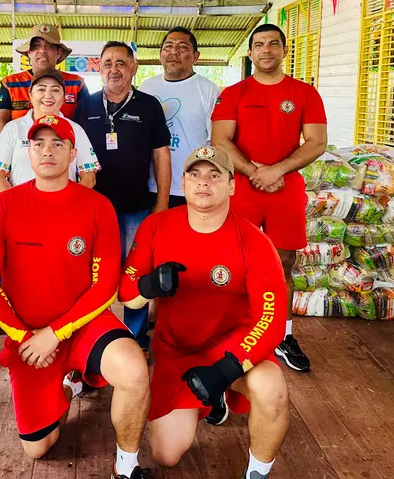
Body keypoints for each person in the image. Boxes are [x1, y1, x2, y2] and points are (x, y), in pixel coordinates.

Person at [0, 115, 153, 479]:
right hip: (26, 335)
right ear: (28, 151)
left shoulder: (96, 205)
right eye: (39, 143)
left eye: (58, 144)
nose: (48, 151)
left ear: (73, 153)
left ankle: (127, 466)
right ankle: (67, 385)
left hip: (84, 323)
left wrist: (54, 333)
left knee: (135, 369)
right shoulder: (2, 205)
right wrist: (27, 338)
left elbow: (105, 285)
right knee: (38, 449)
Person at [119, 146, 289, 479]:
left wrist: (228, 368)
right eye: (195, 174)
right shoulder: (156, 227)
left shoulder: (254, 241)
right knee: (166, 454)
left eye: (214, 175)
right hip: (177, 349)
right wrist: (149, 286)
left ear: (231, 185)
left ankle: (258, 473)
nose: (203, 183)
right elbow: (126, 294)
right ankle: (213, 402)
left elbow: (271, 320)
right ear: (183, 182)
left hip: (234, 346)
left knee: (272, 387)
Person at [211, 24, 328, 373]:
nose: (266, 50)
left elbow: (317, 142)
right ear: (250, 53)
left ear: (284, 50)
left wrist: (276, 171)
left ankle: (282, 335)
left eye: (273, 44)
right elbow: (220, 141)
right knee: (235, 262)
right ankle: (233, 331)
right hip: (243, 188)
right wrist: (255, 172)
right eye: (259, 45)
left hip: (285, 190)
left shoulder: (305, 93)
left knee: (283, 264)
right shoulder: (233, 92)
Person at [75, 41, 171, 355]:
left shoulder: (148, 105)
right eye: (107, 63)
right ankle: (94, 337)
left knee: (136, 274)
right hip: (92, 209)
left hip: (135, 207)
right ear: (98, 68)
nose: (113, 69)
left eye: (120, 62)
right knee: (92, 275)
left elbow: (161, 155)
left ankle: (135, 338)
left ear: (133, 67)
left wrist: (161, 203)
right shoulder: (85, 104)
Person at [139, 27, 220, 209]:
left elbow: (215, 143)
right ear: (160, 55)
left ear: (196, 56)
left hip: (189, 188)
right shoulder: (147, 87)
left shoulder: (208, 91)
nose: (174, 52)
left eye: (182, 47)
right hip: (149, 186)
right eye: (168, 47)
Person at [0, 68, 100, 193]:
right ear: (30, 95)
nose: (48, 95)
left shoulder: (76, 130)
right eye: (41, 89)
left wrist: (68, 206)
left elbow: (89, 178)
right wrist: (16, 206)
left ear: (63, 97)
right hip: (22, 209)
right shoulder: (12, 128)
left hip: (63, 209)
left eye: (55, 90)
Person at [0, 24, 90, 134]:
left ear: (58, 52)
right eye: (36, 46)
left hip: (65, 147)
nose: (42, 50)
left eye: (49, 46)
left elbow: (86, 124)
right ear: (29, 52)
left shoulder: (77, 84)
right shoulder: (9, 83)